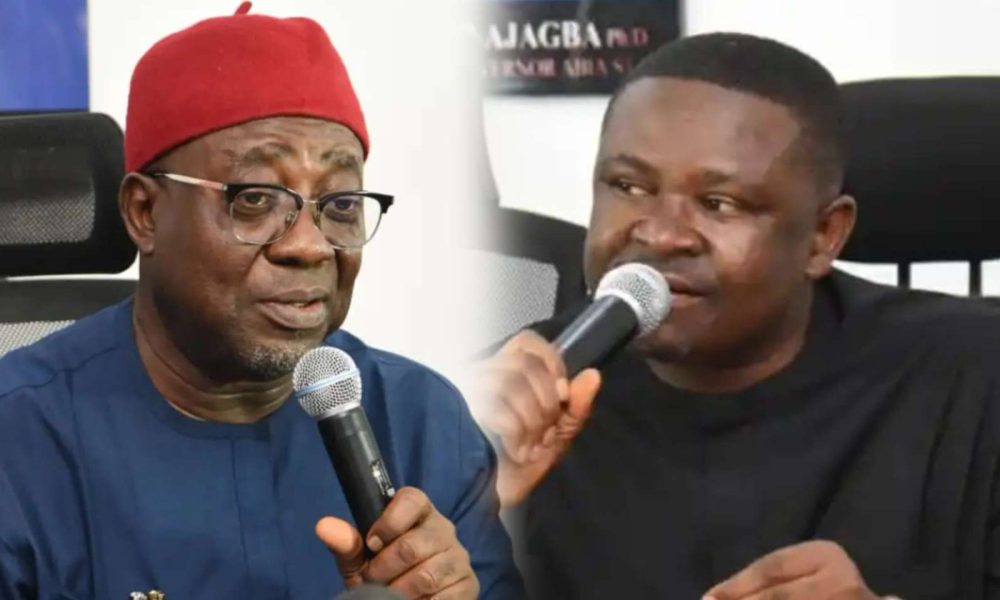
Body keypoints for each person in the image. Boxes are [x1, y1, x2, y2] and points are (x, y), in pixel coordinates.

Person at [0, 5, 521, 599]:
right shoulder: (17, 440)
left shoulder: (425, 423)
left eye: (341, 205)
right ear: (145, 213)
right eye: (253, 199)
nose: (310, 245)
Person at [473, 32, 1000, 599]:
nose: (660, 234)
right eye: (628, 186)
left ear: (824, 236)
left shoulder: (977, 377)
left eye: (718, 203)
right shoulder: (507, 402)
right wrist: (458, 515)